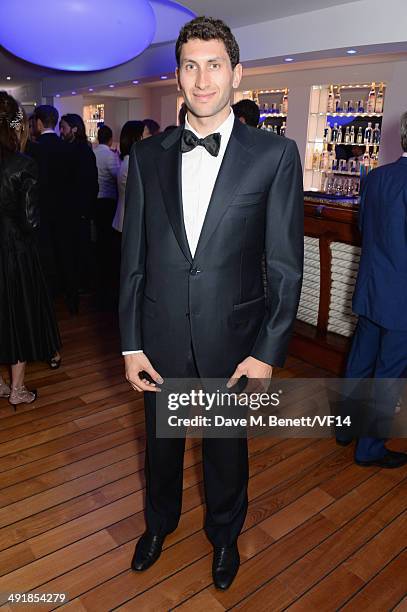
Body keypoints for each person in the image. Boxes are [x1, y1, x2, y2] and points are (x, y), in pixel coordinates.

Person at [120, 16, 303, 590]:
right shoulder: (147, 157)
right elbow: (133, 260)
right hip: (160, 335)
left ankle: (225, 537)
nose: (202, 79)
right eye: (191, 66)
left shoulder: (275, 155)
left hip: (234, 340)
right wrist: (130, 344)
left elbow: (284, 266)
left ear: (237, 74)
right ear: (177, 76)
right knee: (162, 444)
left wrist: (268, 352)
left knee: (226, 450)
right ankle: (159, 523)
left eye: (215, 65)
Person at [341, 111, 407, 468]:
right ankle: (370, 448)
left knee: (359, 362)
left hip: (372, 289)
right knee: (389, 374)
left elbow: (366, 229)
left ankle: (342, 428)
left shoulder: (377, 177)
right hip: (402, 299)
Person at [0, 92, 61, 407]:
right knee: (17, 313)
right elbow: (29, 221)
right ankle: (17, 389)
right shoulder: (23, 164)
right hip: (14, 251)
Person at [31, 104, 78, 317]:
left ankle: (46, 303)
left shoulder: (32, 149)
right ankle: (72, 301)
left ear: (39, 123)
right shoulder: (68, 147)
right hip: (66, 211)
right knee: (67, 256)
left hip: (42, 211)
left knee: (46, 258)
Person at [59, 114, 98, 293]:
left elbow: (89, 183)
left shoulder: (82, 151)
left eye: (64, 127)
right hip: (71, 209)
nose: (61, 131)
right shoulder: (70, 148)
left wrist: (84, 210)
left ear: (74, 129)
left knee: (78, 249)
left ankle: (79, 285)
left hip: (77, 210)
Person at [94, 125, 120, 308]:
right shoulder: (110, 156)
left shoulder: (94, 153)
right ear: (110, 139)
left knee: (99, 236)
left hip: (96, 198)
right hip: (108, 199)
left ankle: (99, 266)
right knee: (107, 237)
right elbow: (116, 176)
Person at [112, 120, 144, 233]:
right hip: (128, 224)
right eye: (146, 135)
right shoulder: (132, 164)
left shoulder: (129, 161)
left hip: (124, 221)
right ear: (138, 138)